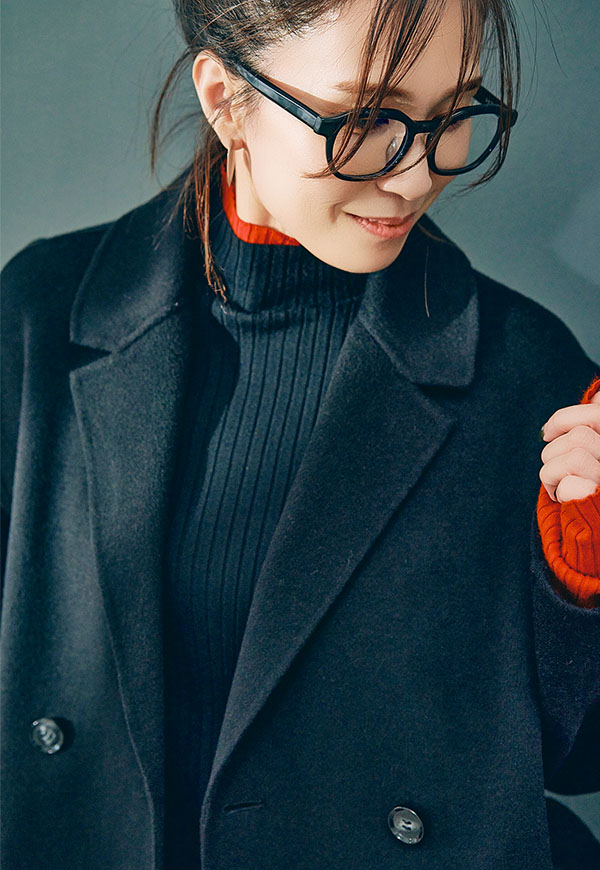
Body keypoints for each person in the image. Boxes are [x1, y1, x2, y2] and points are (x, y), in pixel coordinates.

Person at [1, 0, 599, 867]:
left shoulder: (531, 378)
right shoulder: (40, 318)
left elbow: (579, 761)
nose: (415, 176)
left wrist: (585, 579)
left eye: (454, 114)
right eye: (365, 120)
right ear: (226, 99)